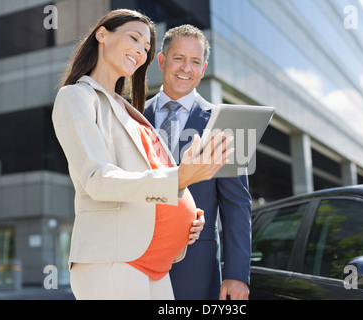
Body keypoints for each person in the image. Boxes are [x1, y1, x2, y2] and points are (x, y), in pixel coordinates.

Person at [52, 9, 233, 300]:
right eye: (134, 38)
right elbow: (98, 179)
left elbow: (147, 179)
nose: (139, 50)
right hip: (113, 259)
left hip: (153, 263)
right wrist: (178, 179)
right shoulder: (77, 97)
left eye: (146, 47)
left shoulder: (130, 110)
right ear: (101, 34)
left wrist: (186, 214)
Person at [144, 24, 252, 300]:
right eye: (178, 58)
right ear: (161, 61)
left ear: (203, 69)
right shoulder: (134, 117)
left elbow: (236, 205)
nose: (186, 68)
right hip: (136, 262)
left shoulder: (227, 125)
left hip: (196, 269)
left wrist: (237, 275)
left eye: (195, 62)